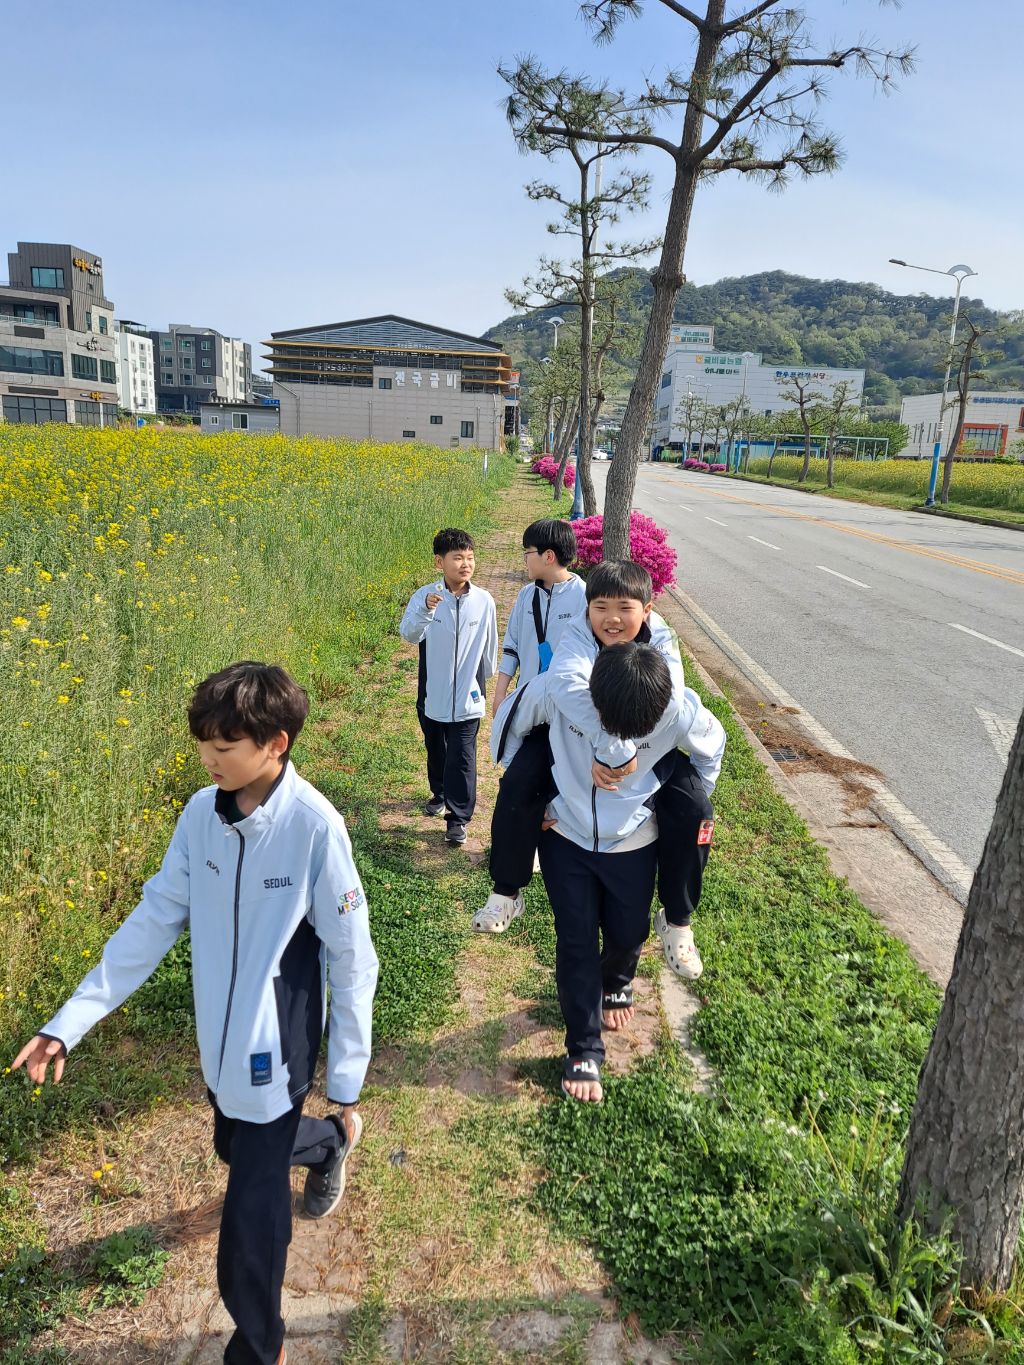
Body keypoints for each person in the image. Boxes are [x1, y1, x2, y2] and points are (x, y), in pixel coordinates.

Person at [12, 662, 379, 1365]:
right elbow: (154, 919)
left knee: (250, 1231)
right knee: (232, 1148)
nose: (209, 759)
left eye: (225, 747)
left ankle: (260, 1347)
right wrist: (69, 1021)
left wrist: (347, 1074)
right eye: (204, 745)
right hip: (217, 1045)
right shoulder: (199, 816)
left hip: (274, 1054)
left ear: (275, 743)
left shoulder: (314, 828)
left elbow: (352, 955)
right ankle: (330, 1142)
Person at [492, 642, 725, 1102]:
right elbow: (510, 728)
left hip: (635, 841)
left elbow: (711, 750)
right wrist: (536, 801)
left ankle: (617, 982)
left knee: (628, 930)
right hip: (566, 838)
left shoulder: (677, 708)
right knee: (576, 938)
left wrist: (671, 805)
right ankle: (583, 1048)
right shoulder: (561, 693)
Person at [479, 561, 715, 981]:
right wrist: (611, 750)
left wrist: (666, 802)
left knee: (695, 808)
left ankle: (677, 919)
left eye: (625, 607)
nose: (612, 619)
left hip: (646, 764)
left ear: (647, 610)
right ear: (586, 609)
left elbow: (679, 712)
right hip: (564, 751)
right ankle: (507, 891)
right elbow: (554, 692)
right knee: (517, 784)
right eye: (600, 607)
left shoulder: (666, 664)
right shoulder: (570, 654)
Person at [471, 518, 587, 932]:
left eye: (528, 553)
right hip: (532, 712)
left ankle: (547, 854)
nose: (525, 560)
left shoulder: (585, 598)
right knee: (515, 785)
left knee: (556, 793)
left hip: (572, 718)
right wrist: (501, 693)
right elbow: (513, 647)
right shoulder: (526, 596)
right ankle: (505, 893)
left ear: (548, 556)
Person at [399, 528, 498, 846]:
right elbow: (410, 634)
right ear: (439, 562)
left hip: (469, 694)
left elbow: (490, 643)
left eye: (470, 558)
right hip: (434, 692)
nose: (465, 564)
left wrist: (485, 681)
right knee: (437, 747)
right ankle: (440, 792)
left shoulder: (483, 600)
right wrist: (426, 610)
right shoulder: (425, 596)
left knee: (463, 756)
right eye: (458, 558)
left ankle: (458, 819)